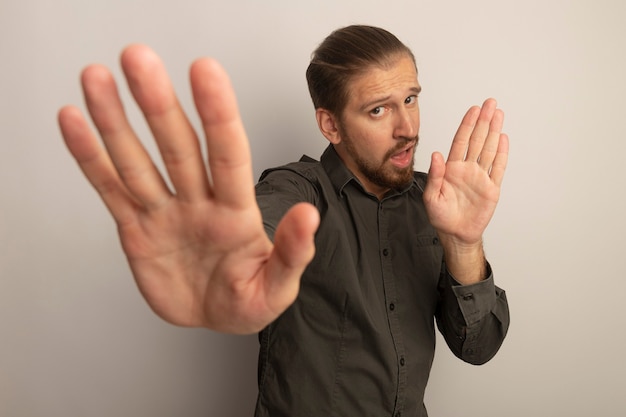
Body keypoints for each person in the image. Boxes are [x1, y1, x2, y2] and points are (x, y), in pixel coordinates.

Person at [58, 25, 509, 417]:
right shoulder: (297, 190)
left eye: (410, 99)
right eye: (379, 109)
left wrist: (464, 243)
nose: (407, 126)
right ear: (330, 126)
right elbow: (258, 221)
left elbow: (479, 348)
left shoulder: (437, 201)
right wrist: (217, 256)